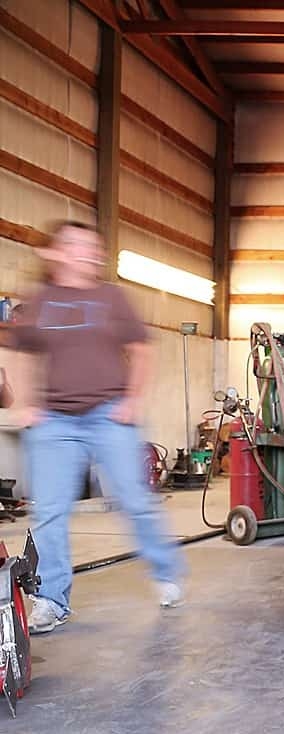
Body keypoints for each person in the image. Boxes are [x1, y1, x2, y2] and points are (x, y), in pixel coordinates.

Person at [5, 220, 187, 634]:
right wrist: (25, 402)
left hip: (108, 417)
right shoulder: (40, 301)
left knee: (136, 500)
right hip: (54, 422)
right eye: (79, 245)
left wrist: (133, 399)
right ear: (55, 254)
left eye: (95, 246)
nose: (90, 252)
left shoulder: (112, 297)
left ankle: (165, 573)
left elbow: (141, 350)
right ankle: (51, 600)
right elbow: (16, 350)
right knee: (49, 512)